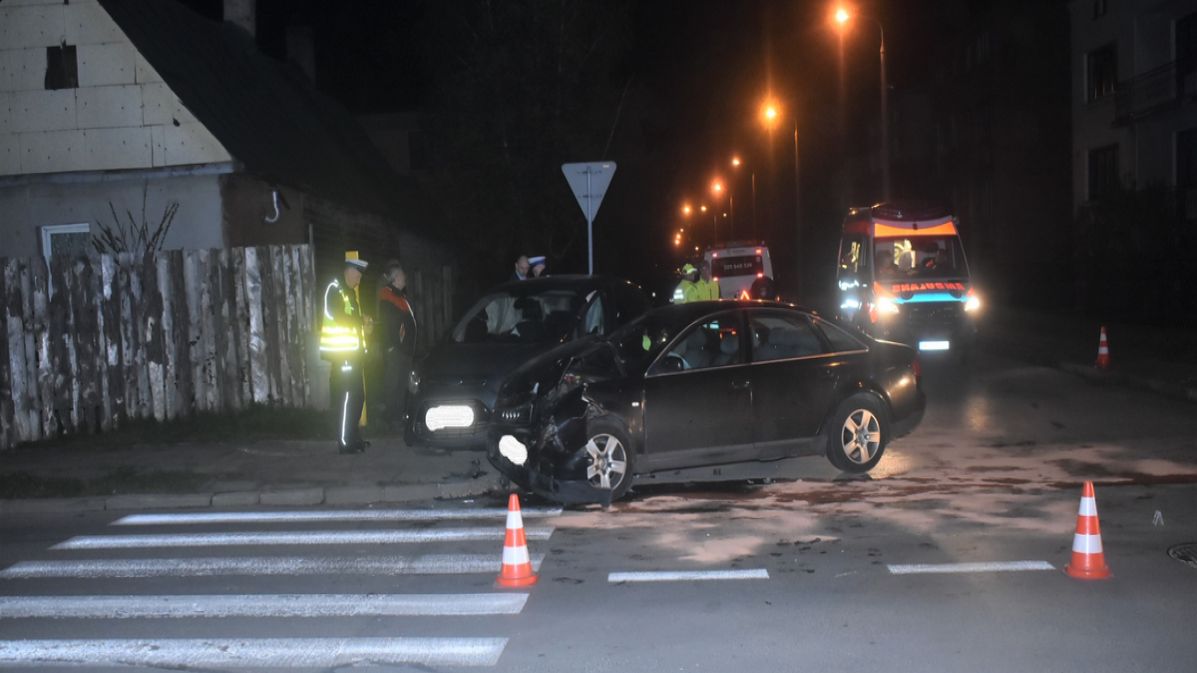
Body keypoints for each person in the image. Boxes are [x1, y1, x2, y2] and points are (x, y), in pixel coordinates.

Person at [320, 251, 370, 453]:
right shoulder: (335, 289)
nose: (359, 279)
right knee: (348, 399)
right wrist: (360, 321)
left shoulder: (349, 293)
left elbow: (352, 324)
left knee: (358, 398)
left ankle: (353, 438)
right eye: (357, 275)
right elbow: (339, 317)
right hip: (342, 357)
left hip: (353, 356)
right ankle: (344, 442)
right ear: (349, 271)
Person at [376, 260, 417, 432]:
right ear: (395, 279)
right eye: (401, 276)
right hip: (396, 350)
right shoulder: (388, 296)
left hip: (404, 349)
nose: (405, 278)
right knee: (393, 383)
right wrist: (392, 346)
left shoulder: (399, 296)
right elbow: (388, 324)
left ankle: (397, 416)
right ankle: (390, 417)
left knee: (401, 384)